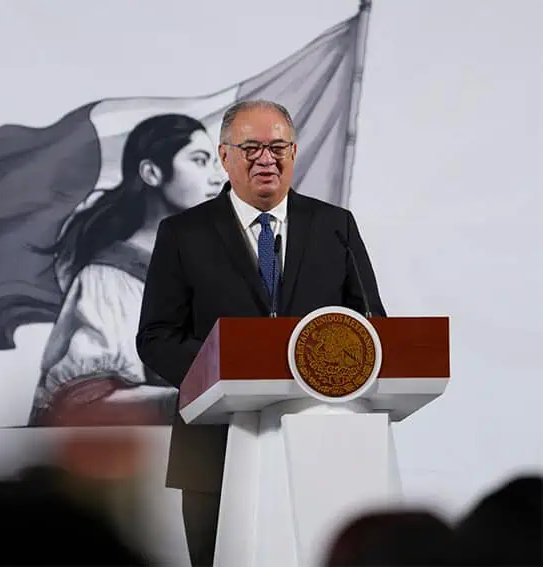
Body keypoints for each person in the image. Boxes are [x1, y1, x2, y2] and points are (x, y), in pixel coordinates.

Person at [136, 100, 385, 566]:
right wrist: (227, 370)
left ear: (294, 152)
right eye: (250, 147)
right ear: (225, 156)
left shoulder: (334, 226)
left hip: (321, 442)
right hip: (214, 448)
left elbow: (372, 327)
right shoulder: (183, 233)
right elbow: (155, 337)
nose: (266, 159)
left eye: (277, 147)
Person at [28, 114, 224, 425]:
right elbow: (86, 400)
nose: (217, 177)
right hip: (144, 460)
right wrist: (207, 401)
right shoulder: (111, 277)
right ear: (151, 172)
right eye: (200, 161)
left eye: (216, 162)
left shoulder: (215, 264)